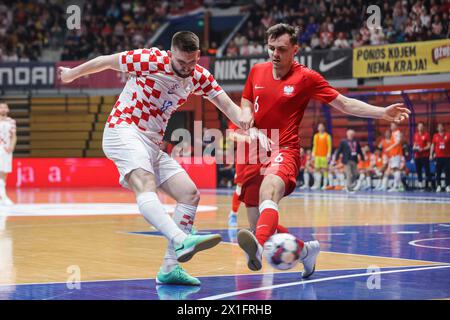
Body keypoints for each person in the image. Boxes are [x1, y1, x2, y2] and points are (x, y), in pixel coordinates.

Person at [58, 31, 270, 286]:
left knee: (189, 194)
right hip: (123, 129)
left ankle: (169, 269)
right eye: (181, 63)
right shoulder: (149, 59)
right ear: (171, 54)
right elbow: (104, 60)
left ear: (198, 56)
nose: (186, 68)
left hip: (151, 143)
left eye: (192, 62)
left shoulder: (198, 76)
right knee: (145, 183)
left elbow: (229, 108)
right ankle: (181, 239)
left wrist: (252, 127)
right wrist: (71, 74)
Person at [235, 23, 410, 278]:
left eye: (281, 49)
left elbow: (345, 103)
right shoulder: (257, 70)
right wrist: (247, 113)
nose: (274, 54)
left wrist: (381, 112)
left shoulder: (306, 77)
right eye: (271, 48)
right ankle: (307, 252)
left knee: (268, 191)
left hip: (285, 148)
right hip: (255, 150)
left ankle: (258, 245)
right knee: (258, 221)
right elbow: (247, 99)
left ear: (295, 49)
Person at [0, 101, 16, 205]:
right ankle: (3, 197)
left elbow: (14, 136)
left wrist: (11, 147)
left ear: (8, 109)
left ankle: (3, 196)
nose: (3, 109)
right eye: (1, 108)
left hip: (6, 149)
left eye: (5, 107)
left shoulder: (11, 121)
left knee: (4, 172)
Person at [383, 123, 404, 192]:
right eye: (391, 125)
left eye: (392, 125)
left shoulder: (397, 132)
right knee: (395, 170)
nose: (391, 126)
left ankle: (396, 186)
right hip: (394, 154)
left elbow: (397, 142)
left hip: (396, 153)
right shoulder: (393, 133)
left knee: (396, 169)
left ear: (396, 126)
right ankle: (400, 186)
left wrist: (389, 148)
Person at [311, 123, 332, 190]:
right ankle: (317, 184)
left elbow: (329, 146)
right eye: (319, 127)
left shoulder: (327, 136)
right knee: (317, 170)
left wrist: (328, 154)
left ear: (324, 128)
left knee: (324, 170)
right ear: (318, 128)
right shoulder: (316, 136)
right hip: (317, 156)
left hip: (324, 156)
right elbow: (315, 145)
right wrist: (313, 153)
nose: (320, 128)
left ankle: (325, 185)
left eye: (321, 127)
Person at [430, 123, 450, 192]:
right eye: (439, 127)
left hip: (447, 157)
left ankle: (447, 186)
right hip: (438, 157)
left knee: (448, 172)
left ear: (443, 127)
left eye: (441, 126)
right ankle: (438, 185)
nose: (440, 128)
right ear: (437, 128)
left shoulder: (448, 135)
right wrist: (431, 154)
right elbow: (432, 145)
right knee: (438, 172)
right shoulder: (435, 136)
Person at [413, 122, 432, 190]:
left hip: (425, 155)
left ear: (423, 127)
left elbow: (429, 145)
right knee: (419, 171)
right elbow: (415, 144)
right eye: (419, 126)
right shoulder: (415, 135)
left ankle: (428, 185)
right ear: (417, 127)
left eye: (421, 126)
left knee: (427, 170)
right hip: (417, 156)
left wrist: (423, 149)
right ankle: (420, 185)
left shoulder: (426, 135)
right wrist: (414, 148)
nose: (420, 127)